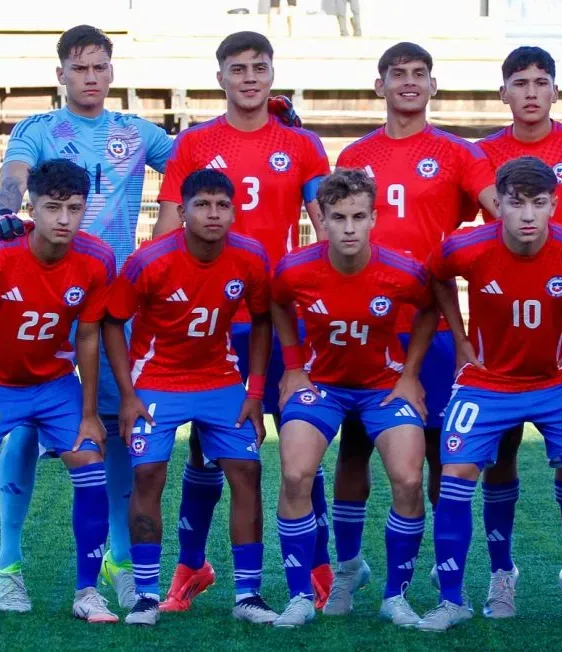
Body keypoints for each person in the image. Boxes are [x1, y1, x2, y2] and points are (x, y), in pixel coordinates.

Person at [0, 24, 173, 612]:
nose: (91, 78)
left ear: (111, 72)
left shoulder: (137, 133)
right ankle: (9, 564)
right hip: (43, 300)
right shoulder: (37, 129)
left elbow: (196, 168)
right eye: (80, 68)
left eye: (100, 68)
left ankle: (116, 561)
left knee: (113, 428)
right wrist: (5, 213)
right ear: (61, 72)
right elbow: (14, 176)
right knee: (23, 427)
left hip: (113, 304)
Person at [153, 30, 333, 611]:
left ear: (272, 74)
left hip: (283, 314)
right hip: (211, 317)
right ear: (221, 77)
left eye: (259, 66)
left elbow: (324, 226)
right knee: (210, 450)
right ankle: (191, 566)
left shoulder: (302, 145)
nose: (249, 76)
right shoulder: (194, 144)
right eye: (238, 67)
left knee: (306, 441)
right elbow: (163, 231)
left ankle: (319, 566)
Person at [417, 156, 562, 635]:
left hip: (558, 380)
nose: (527, 215)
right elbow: (437, 274)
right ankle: (460, 596)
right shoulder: (464, 247)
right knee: (456, 471)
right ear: (499, 206)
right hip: (488, 381)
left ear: (554, 204)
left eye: (538, 203)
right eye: (516, 203)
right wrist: (461, 338)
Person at [327, 41, 498, 615]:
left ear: (432, 84)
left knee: (437, 451)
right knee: (354, 448)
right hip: (365, 325)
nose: (408, 82)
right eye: (397, 74)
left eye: (418, 74)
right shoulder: (356, 153)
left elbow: (499, 212)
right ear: (379, 85)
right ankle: (348, 570)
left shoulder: (458, 152)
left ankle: (443, 576)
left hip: (437, 326)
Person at [0, 159, 117, 626]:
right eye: (53, 207)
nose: (64, 219)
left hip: (54, 385)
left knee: (91, 464)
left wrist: (88, 413)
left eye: (75, 208)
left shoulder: (97, 259)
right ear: (32, 206)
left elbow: (87, 337)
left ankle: (88, 592)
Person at [103, 169, 275, 626]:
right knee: (148, 476)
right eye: (202, 204)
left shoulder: (251, 257)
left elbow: (262, 320)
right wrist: (126, 394)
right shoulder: (150, 260)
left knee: (248, 470)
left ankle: (248, 595)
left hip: (219, 377)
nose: (213, 214)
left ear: (234, 210)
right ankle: (144, 595)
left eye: (222, 205)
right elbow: (112, 320)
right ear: (182, 212)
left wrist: (255, 392)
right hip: (157, 378)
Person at [268, 169, 437, 628]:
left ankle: (394, 596)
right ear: (320, 218)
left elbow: (430, 308)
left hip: (384, 386)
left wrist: (411, 374)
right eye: (337, 217)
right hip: (320, 386)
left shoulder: (402, 270)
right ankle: (302, 595)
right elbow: (277, 303)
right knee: (296, 471)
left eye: (358, 216)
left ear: (373, 218)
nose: (347, 227)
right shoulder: (296, 267)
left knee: (406, 478)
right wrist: (294, 364)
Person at [474, 45, 562, 619]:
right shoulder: (482, 155)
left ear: (554, 90)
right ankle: (502, 573)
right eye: (519, 82)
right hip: (498, 328)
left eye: (540, 81)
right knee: (500, 455)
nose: (530, 92)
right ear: (503, 92)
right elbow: (462, 242)